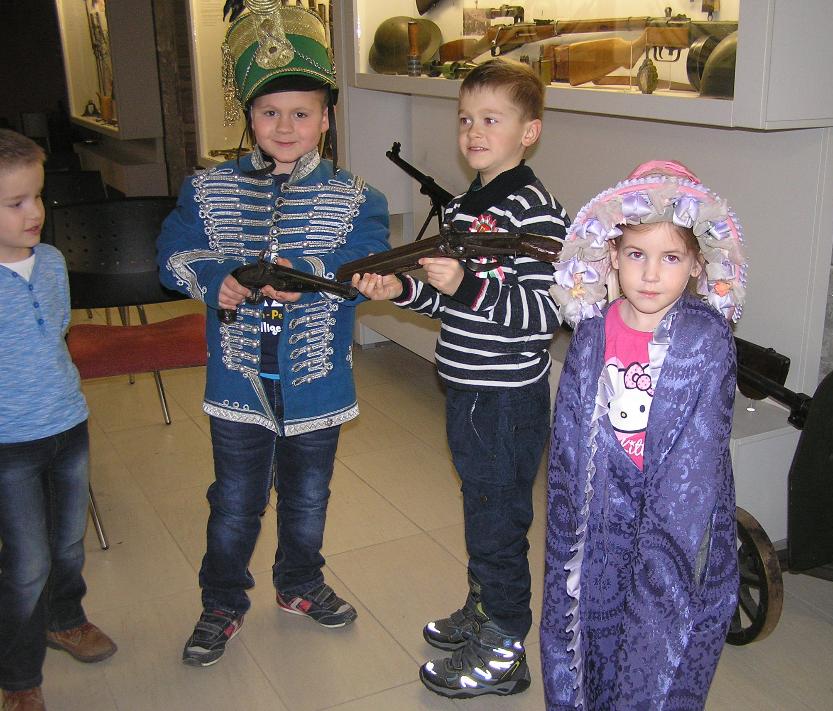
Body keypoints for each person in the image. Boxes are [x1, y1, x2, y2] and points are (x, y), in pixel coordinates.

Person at [156, 3, 388, 668]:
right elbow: (172, 255)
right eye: (269, 113)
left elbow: (366, 263)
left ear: (326, 118)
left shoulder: (358, 196)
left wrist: (310, 274)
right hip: (237, 382)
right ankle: (222, 601)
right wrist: (218, 279)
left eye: (302, 113)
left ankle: (299, 581)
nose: (285, 127)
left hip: (317, 383)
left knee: (309, 495)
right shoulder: (208, 189)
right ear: (249, 116)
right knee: (234, 500)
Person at [352, 59, 568, 699]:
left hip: (507, 397)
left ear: (529, 132)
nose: (474, 132)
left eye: (492, 120)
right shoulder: (470, 206)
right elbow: (453, 304)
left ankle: (505, 645)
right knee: (481, 510)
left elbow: (545, 316)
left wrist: (467, 284)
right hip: (468, 389)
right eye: (466, 119)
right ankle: (483, 607)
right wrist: (403, 291)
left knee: (498, 522)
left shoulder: (536, 213)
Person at [541, 160, 748, 710]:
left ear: (697, 265)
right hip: (601, 515)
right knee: (595, 630)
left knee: (658, 636)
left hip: (674, 521)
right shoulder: (593, 333)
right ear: (613, 255)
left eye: (670, 258)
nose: (650, 275)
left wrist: (667, 543)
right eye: (636, 255)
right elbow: (570, 442)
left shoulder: (706, 342)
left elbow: (700, 457)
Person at [0, 128, 117, 711]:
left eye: (38, 197)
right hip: (9, 444)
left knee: (68, 543)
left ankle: (65, 618)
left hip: (68, 425)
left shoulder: (51, 261)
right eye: (15, 203)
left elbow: (58, 332)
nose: (35, 213)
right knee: (26, 564)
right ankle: (18, 675)